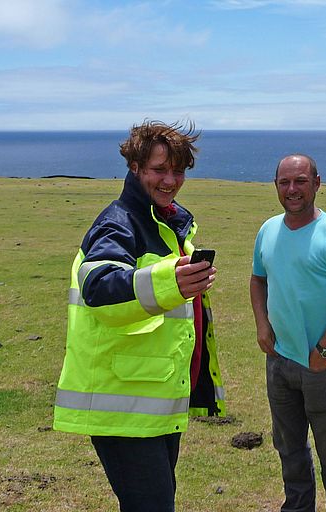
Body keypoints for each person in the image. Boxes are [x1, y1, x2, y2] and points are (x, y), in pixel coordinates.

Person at [53, 120, 226, 512]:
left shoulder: (166, 224)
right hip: (123, 406)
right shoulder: (119, 223)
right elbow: (99, 286)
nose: (170, 181)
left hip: (151, 401)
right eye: (159, 170)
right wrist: (172, 283)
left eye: (178, 171)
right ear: (135, 168)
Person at [250, 154, 326, 512]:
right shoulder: (268, 230)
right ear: (275, 186)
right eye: (284, 182)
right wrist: (262, 324)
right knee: (289, 450)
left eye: (300, 181)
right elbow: (258, 279)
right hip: (280, 362)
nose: (292, 190)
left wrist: (325, 350)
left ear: (317, 183)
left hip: (325, 368)